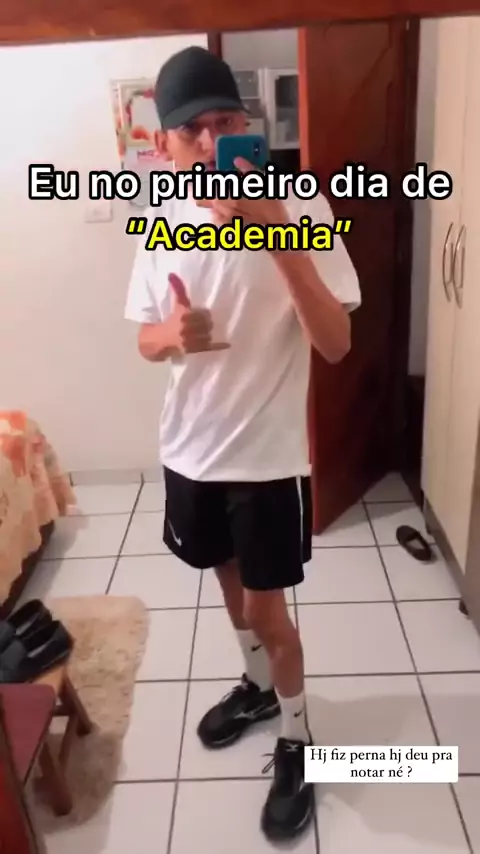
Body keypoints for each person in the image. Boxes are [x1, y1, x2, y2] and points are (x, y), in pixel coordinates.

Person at [124, 45, 361, 842]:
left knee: (270, 611)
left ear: (246, 127)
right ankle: (258, 688)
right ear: (165, 144)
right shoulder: (160, 221)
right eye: (191, 129)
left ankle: (298, 738)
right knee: (230, 590)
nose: (209, 140)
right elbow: (144, 339)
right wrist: (170, 335)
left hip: (266, 458)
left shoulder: (301, 203)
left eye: (225, 122)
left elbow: (335, 344)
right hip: (190, 451)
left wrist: (276, 236)